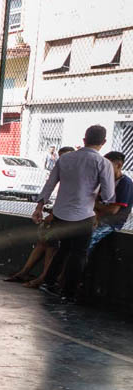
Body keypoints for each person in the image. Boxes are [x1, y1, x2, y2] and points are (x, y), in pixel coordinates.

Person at [34, 125, 117, 302]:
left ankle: (48, 283)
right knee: (79, 254)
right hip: (83, 215)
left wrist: (39, 207)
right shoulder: (103, 163)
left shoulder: (65, 159)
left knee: (63, 249)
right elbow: (109, 196)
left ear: (84, 140)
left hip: (60, 214)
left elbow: (49, 184)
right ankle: (69, 292)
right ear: (103, 142)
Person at [87, 152, 130, 252]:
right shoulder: (104, 180)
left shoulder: (125, 183)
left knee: (87, 241)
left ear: (118, 165)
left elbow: (112, 210)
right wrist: (96, 214)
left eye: (106, 165)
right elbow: (94, 201)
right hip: (96, 217)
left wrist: (94, 205)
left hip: (111, 223)